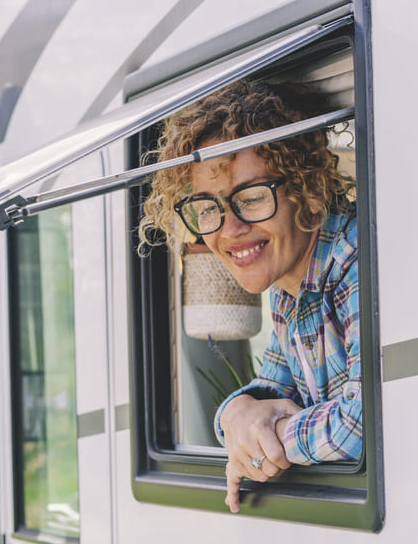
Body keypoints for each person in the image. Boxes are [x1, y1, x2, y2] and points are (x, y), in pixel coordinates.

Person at [137, 80, 360, 513]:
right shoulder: (287, 289)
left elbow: (359, 423)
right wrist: (235, 414)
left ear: (306, 188)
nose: (229, 228)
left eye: (252, 198)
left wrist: (264, 440)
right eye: (206, 208)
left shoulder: (352, 261)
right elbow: (272, 389)